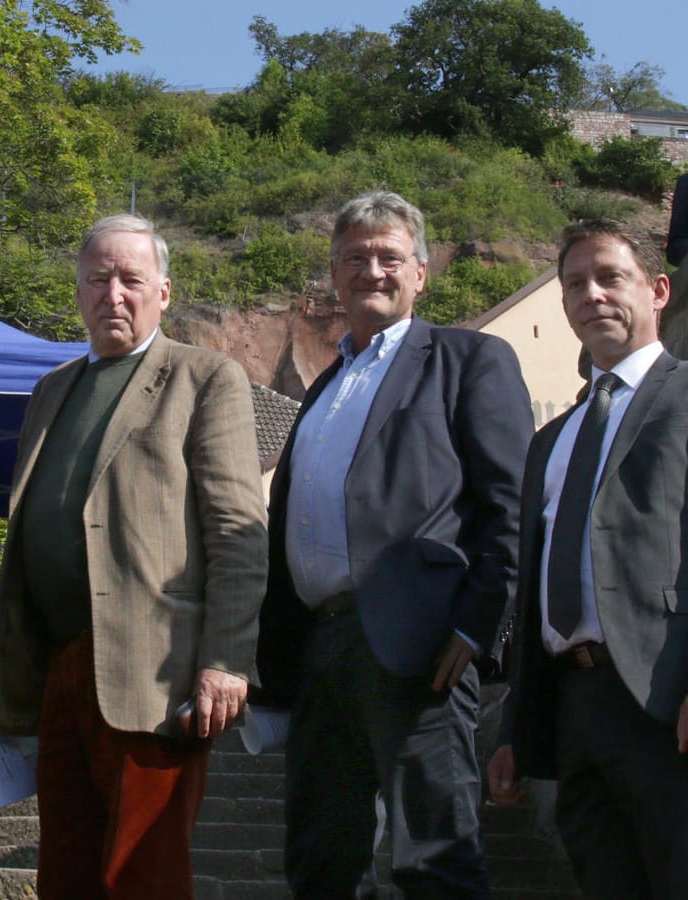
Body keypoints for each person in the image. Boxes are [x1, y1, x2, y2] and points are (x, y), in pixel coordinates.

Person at [257, 190, 532, 898]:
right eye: (355, 257)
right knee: (321, 860)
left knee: (433, 858)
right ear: (334, 273)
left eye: (389, 257)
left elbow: (511, 503)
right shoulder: (327, 387)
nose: (372, 271)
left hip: (420, 645)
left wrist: (477, 622)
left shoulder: (469, 359)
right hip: (319, 647)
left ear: (421, 272)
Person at [0, 214, 269, 898]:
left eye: (131, 279)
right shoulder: (53, 389)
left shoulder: (204, 378)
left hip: (154, 672)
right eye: (98, 278)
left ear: (163, 293)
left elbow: (239, 528)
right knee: (66, 877)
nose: (114, 294)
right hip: (60, 667)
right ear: (78, 291)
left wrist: (226, 660)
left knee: (142, 876)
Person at [487, 220, 688, 899]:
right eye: (575, 284)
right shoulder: (551, 441)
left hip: (663, 700)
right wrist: (517, 729)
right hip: (573, 709)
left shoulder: (685, 398)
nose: (591, 295)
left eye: (610, 277)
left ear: (658, 290)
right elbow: (531, 592)